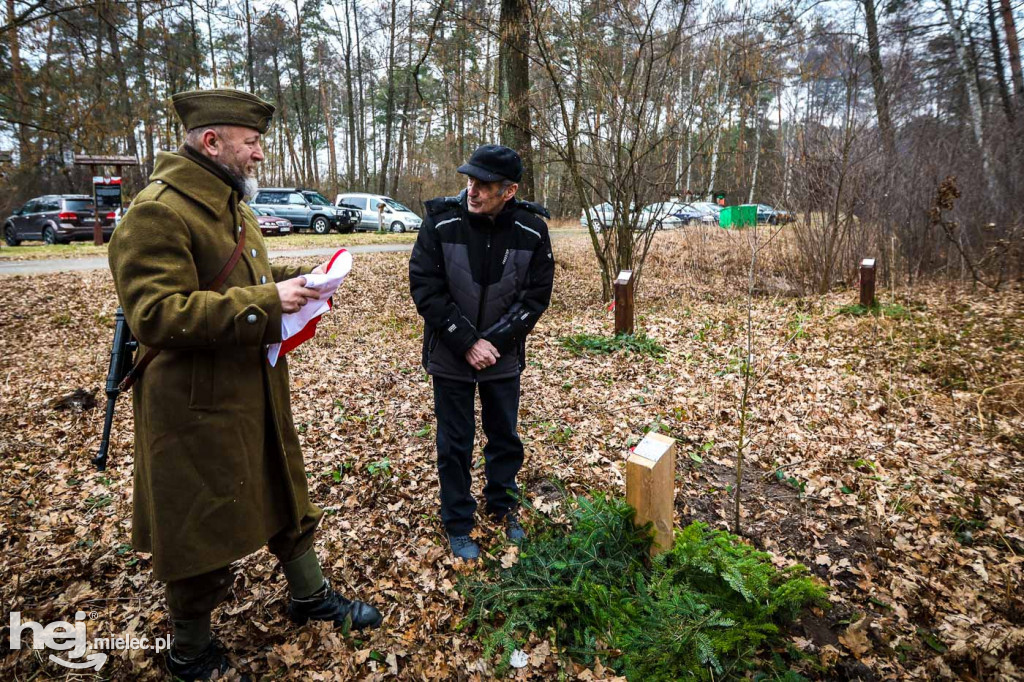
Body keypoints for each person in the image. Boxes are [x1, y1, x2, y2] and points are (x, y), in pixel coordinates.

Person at [107, 88, 382, 681]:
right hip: (193, 404)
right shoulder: (157, 211)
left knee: (285, 489)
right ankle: (189, 650)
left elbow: (244, 276)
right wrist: (266, 299)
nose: (259, 154)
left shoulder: (232, 204)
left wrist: (298, 279)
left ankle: (309, 596)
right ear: (213, 142)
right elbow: (155, 313)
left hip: (250, 386)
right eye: (252, 142)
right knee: (197, 523)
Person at [409, 144, 555, 560]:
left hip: (502, 357)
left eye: (483, 185)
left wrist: (495, 342)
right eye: (469, 181)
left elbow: (535, 297)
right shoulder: (440, 222)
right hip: (450, 355)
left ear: (508, 191)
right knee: (454, 443)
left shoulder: (531, 230)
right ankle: (457, 522)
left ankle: (503, 504)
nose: (472, 190)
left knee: (504, 437)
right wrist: (468, 341)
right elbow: (425, 288)